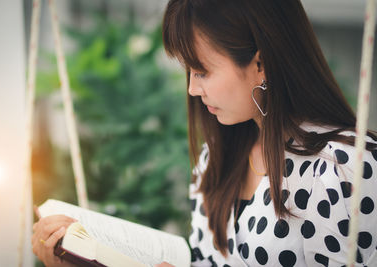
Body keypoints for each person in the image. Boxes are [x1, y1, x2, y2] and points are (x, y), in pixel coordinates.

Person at [32, 0, 377, 266]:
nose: (193, 90)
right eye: (189, 72)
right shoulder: (217, 159)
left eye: (201, 71)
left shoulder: (343, 167)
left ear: (261, 64)